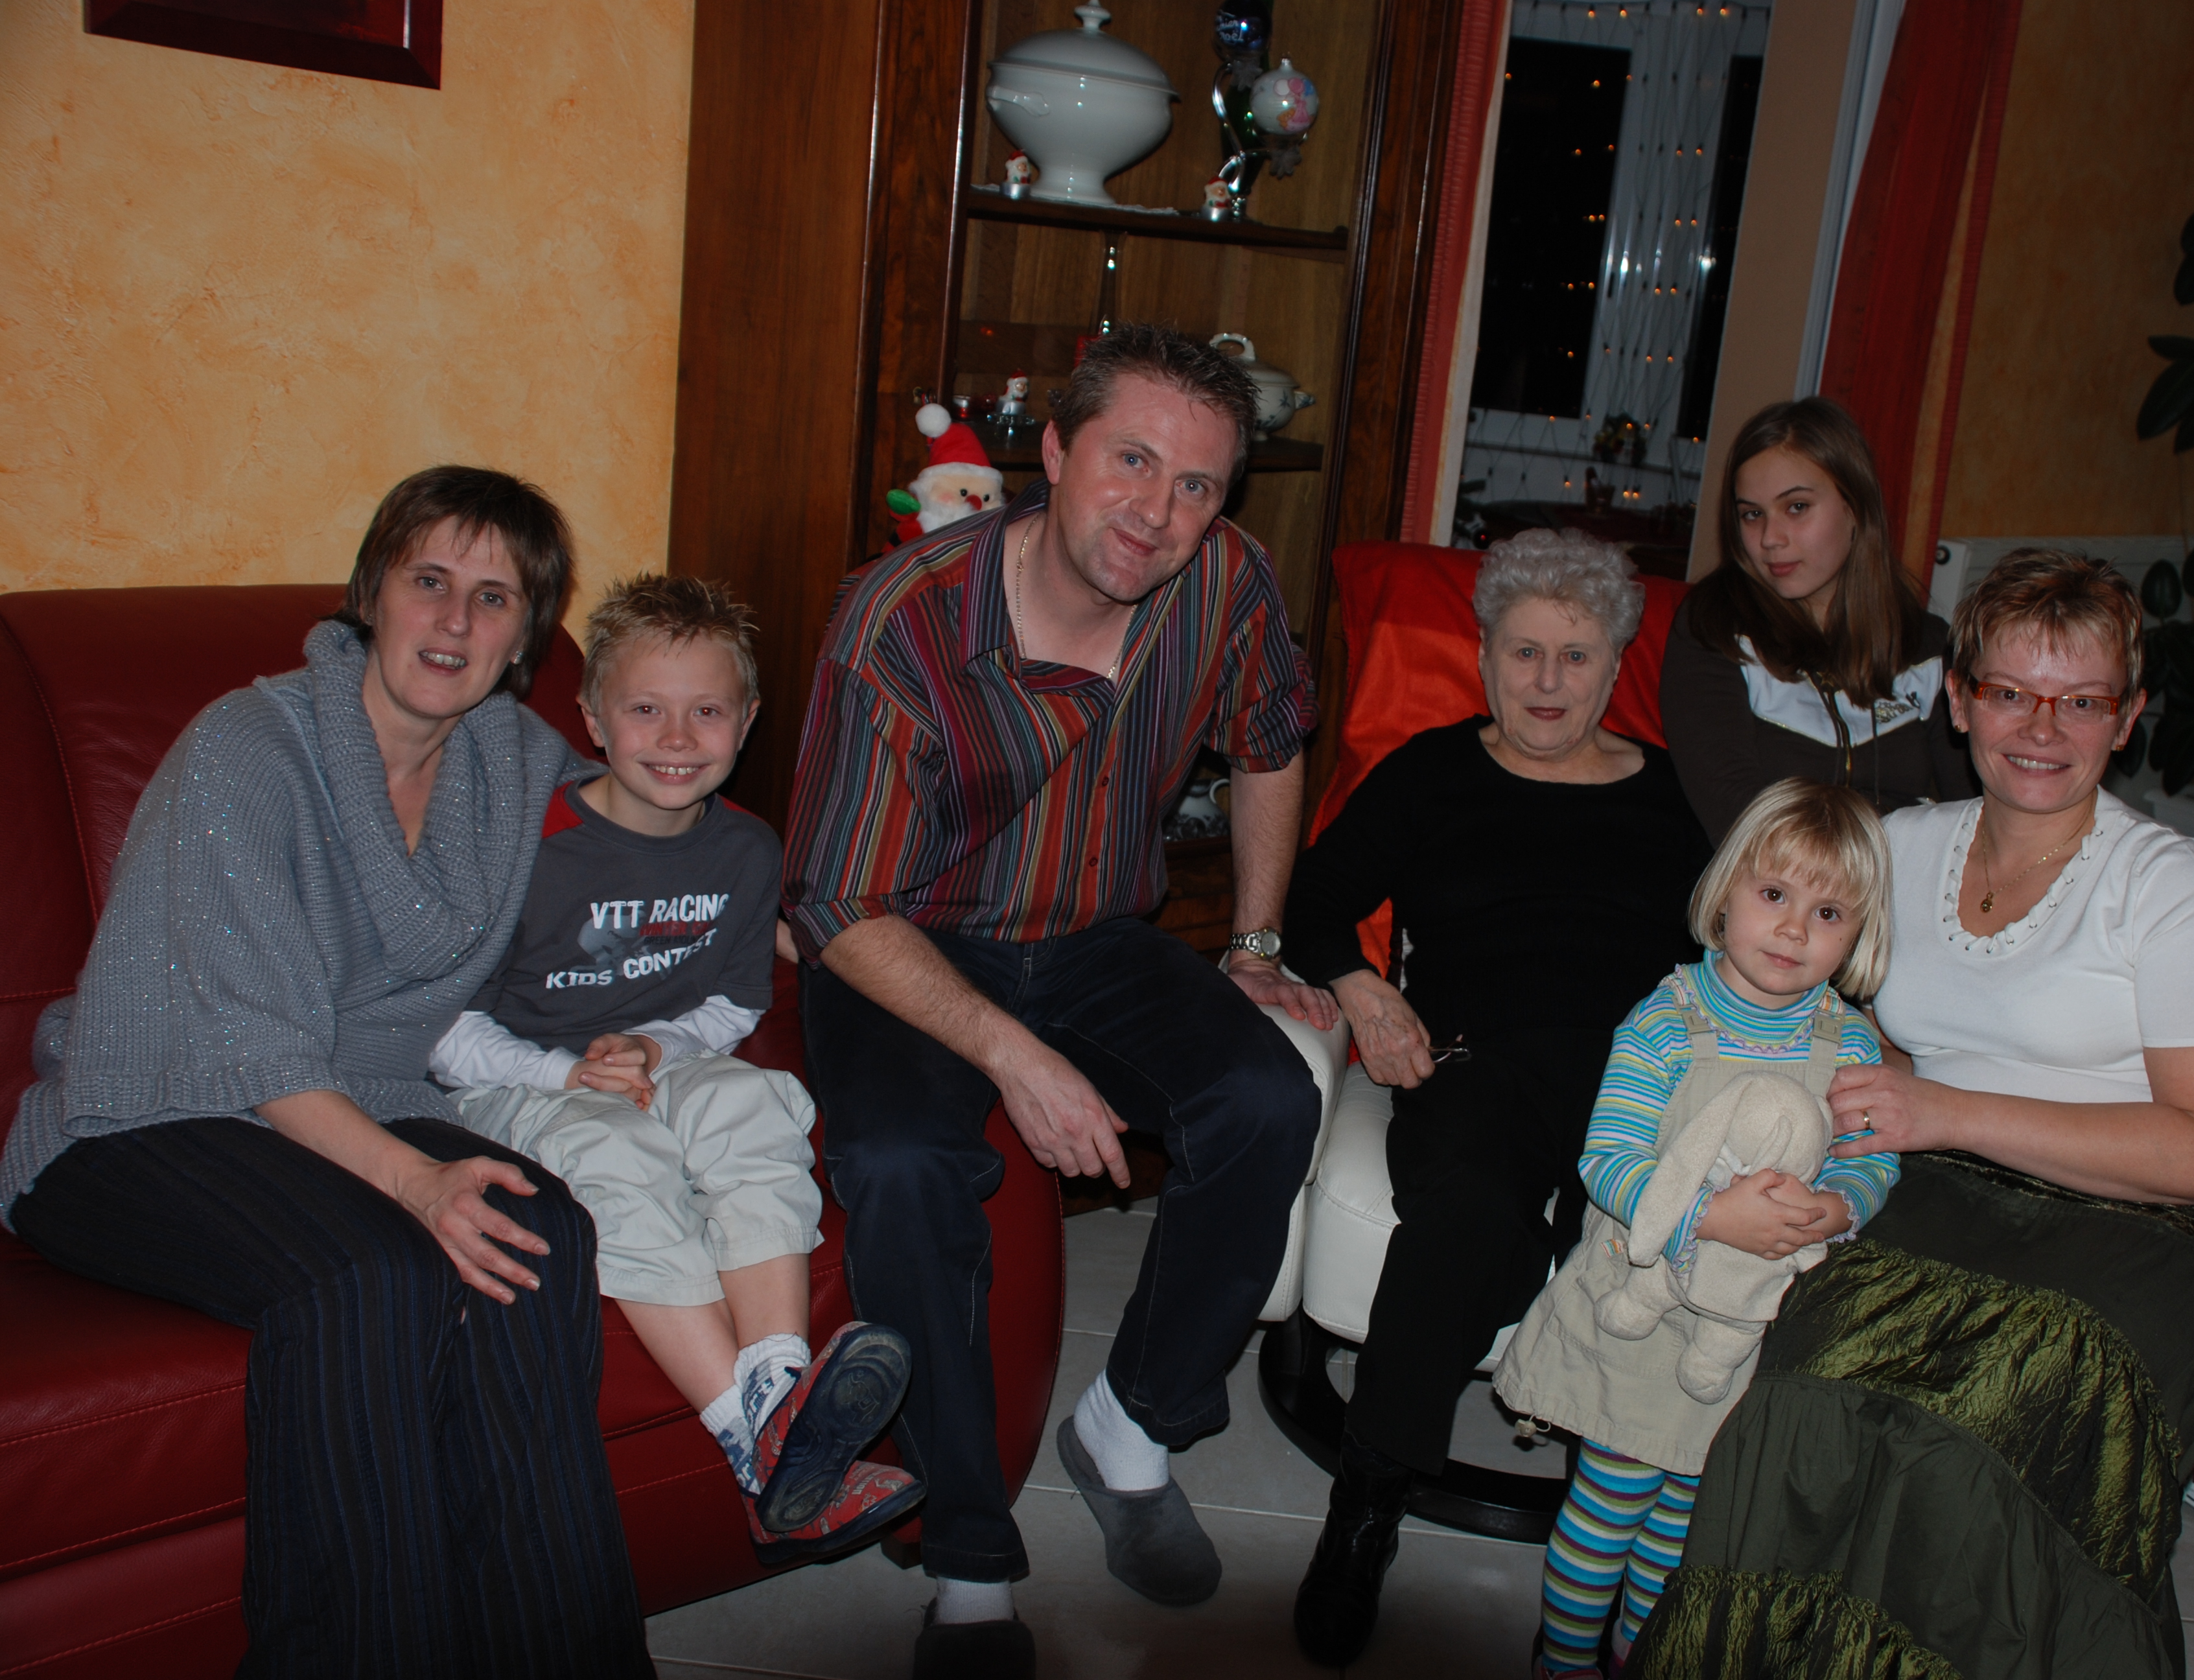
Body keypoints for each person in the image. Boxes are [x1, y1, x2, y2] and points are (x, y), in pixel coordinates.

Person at [0, 467, 657, 1676]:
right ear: (371, 594)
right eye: (428, 581)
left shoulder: (513, 761)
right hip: (146, 1111)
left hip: (359, 1102)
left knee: (541, 1232)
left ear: (525, 640)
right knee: (368, 1275)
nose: (453, 621)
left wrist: (781, 920)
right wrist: (416, 1183)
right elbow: (253, 1049)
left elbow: (646, 844)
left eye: (494, 598)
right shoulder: (250, 747)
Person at [782, 324, 1336, 1680]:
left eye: (1197, 483)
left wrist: (1257, 938)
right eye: (1130, 461)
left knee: (1266, 1095)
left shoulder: (1228, 582)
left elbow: (1272, 739)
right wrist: (1014, 1058)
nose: (1157, 512)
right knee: (903, 1162)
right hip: (909, 939)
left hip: (1091, 932)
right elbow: (836, 902)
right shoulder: (904, 616)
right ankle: (968, 1559)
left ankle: (1132, 1423)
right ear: (1052, 452)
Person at [1636, 550, 2194, 1678]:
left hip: (2142, 1224)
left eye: (2082, 701)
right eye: (2010, 691)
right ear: (1957, 698)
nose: (2043, 728)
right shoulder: (1897, 848)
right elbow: (1826, 1025)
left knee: (1990, 1415)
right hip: (1926, 1178)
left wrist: (1948, 1108)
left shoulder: (2165, 885)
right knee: (1810, 1388)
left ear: (2126, 718)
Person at [1276, 530, 1720, 1668]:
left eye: (1576, 655)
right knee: (1469, 1206)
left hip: (1638, 1076)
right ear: (1483, 656)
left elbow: (1738, 949)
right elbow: (1314, 897)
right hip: (1475, 1064)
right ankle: (1365, 1509)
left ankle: (1627, 1523)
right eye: (1523, 652)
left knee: (1630, 1235)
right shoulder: (1433, 771)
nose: (1546, 681)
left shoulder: (1677, 797)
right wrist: (1364, 988)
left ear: (1615, 662)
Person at [429, 574, 920, 1561]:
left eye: (707, 711)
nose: (678, 738)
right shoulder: (526, 845)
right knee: (618, 1155)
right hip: (512, 1080)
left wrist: (658, 1046)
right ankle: (760, 1446)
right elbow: (438, 1030)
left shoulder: (746, 849)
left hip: (655, 1064)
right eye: (645, 709)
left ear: (748, 719)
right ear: (592, 719)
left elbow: (734, 1006)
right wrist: (564, 1076)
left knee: (755, 1102)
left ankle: (779, 1394)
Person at [1497, 778, 1900, 1679]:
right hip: (1641, 1314)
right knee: (1609, 1506)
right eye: (1774, 894)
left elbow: (1872, 1157)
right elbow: (1608, 1159)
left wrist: (1839, 1207)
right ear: (1724, 895)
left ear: (1859, 933)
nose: (1793, 930)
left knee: (1687, 1520)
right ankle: (1564, 1659)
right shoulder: (1666, 1021)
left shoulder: (1850, 1042)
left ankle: (1641, 1658)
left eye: (1827, 912)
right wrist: (1711, 1216)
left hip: (1753, 1328)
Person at [1661, 396, 1974, 840]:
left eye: (1797, 507)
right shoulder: (1713, 628)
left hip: (1904, 876)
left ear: (1854, 506)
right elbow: (1738, 821)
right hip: (1771, 879)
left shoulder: (1926, 645)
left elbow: (1972, 815)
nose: (1770, 539)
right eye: (1752, 514)